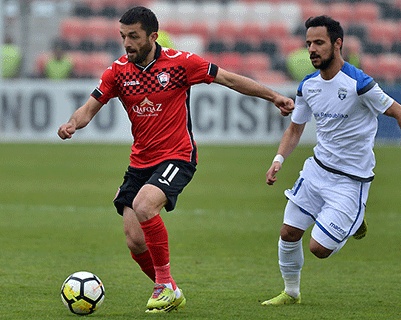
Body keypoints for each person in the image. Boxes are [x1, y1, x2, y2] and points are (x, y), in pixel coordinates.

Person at [57, 6, 294, 313]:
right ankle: (170, 290)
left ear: (152, 36)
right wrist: (72, 124)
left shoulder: (181, 63)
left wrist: (273, 96)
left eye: (134, 36)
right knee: (133, 239)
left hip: (178, 155)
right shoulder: (117, 71)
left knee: (144, 206)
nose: (127, 43)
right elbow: (88, 109)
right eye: (122, 36)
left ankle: (163, 286)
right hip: (140, 161)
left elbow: (229, 80)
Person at [262, 15, 401, 306]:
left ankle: (354, 219)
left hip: (350, 180)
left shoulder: (359, 83)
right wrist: (279, 159)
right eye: (308, 44)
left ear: (337, 43)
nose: (312, 49)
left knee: (319, 248)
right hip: (317, 170)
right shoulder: (308, 86)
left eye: (319, 42)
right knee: (288, 232)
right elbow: (295, 128)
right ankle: (291, 292)